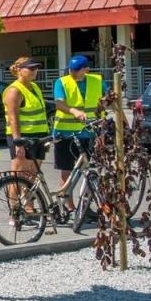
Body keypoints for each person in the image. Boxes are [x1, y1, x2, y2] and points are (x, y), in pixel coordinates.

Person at [51, 55, 103, 209]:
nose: (72, 72)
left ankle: (85, 206)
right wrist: (73, 110)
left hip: (89, 133)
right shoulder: (62, 82)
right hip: (64, 132)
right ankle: (68, 204)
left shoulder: (97, 81)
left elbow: (111, 99)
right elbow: (59, 104)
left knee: (88, 170)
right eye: (71, 69)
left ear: (86, 69)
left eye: (77, 70)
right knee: (66, 169)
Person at [2, 57, 49, 182]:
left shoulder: (34, 86)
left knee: (31, 178)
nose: (35, 71)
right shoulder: (14, 90)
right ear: (19, 70)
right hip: (23, 137)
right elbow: (13, 118)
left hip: (38, 136)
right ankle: (14, 197)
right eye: (31, 68)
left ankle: (29, 196)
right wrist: (18, 143)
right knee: (18, 179)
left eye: (36, 68)